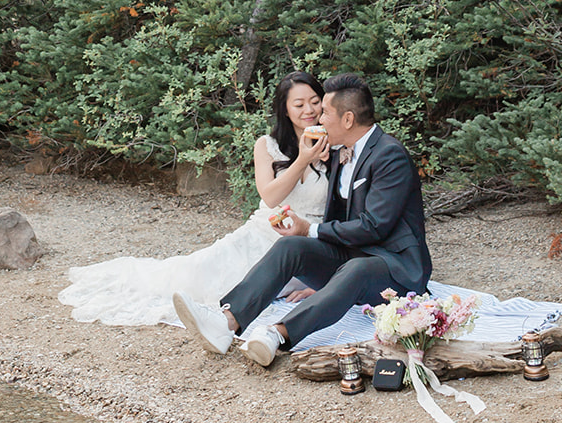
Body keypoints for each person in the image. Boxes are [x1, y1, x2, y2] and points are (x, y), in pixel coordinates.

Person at [173, 71, 431, 366]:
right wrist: (306, 237)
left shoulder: (390, 155)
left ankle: (278, 334)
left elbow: (375, 226)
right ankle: (226, 322)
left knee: (356, 269)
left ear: (347, 120)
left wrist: (311, 228)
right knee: (290, 246)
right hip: (352, 256)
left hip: (393, 266)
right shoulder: (337, 152)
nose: (319, 119)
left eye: (325, 113)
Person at [58, 72, 330, 327]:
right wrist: (303, 159)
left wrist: (321, 280)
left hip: (305, 247)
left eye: (315, 102)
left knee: (244, 290)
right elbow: (270, 197)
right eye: (299, 104)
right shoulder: (267, 145)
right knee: (197, 277)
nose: (309, 110)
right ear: (285, 109)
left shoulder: (337, 147)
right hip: (260, 235)